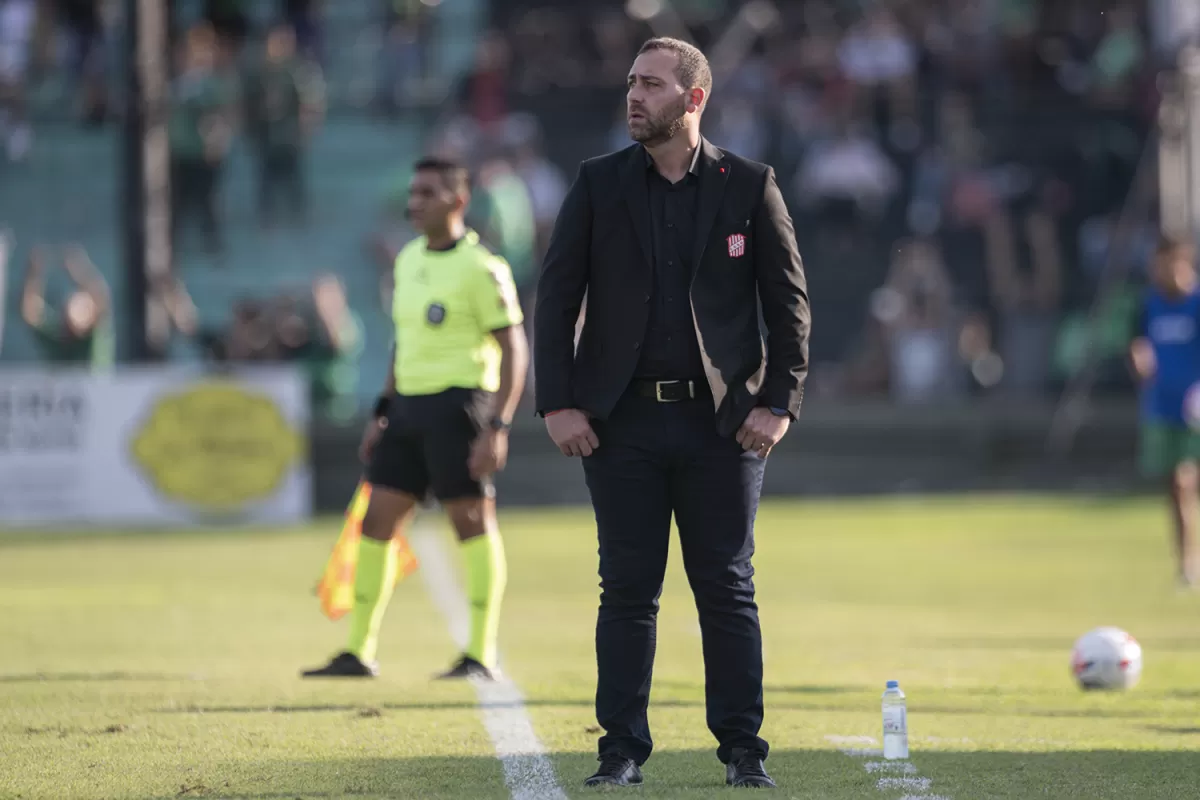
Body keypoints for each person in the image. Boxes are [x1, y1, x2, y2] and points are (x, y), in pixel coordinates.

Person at [533, 37, 810, 790]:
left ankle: (743, 751)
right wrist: (557, 403)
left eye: (651, 85)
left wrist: (778, 403)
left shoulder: (750, 185)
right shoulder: (596, 183)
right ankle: (621, 749)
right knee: (627, 590)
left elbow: (789, 306)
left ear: (694, 99)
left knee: (726, 586)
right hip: (618, 425)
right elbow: (554, 301)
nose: (633, 96)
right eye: (630, 83)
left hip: (722, 427)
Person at [303, 156, 528, 680]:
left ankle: (480, 653)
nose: (414, 202)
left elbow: (515, 349)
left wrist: (498, 426)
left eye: (427, 192)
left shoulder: (483, 269)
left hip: (461, 406)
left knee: (471, 524)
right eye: (412, 192)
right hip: (407, 408)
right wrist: (382, 412)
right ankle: (359, 650)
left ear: (458, 200)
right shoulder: (406, 261)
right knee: (376, 522)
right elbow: (405, 342)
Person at [1129, 235, 1200, 589]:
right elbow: (1138, 341)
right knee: (1177, 486)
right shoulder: (1149, 303)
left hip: (1196, 408)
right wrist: (1139, 358)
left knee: (1187, 481)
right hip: (1163, 408)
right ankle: (1187, 564)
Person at [21, 244, 115, 371]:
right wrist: (34, 275)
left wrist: (79, 270)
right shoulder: (57, 338)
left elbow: (102, 299)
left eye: (83, 310)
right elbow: (30, 312)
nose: (75, 315)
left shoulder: (95, 337)